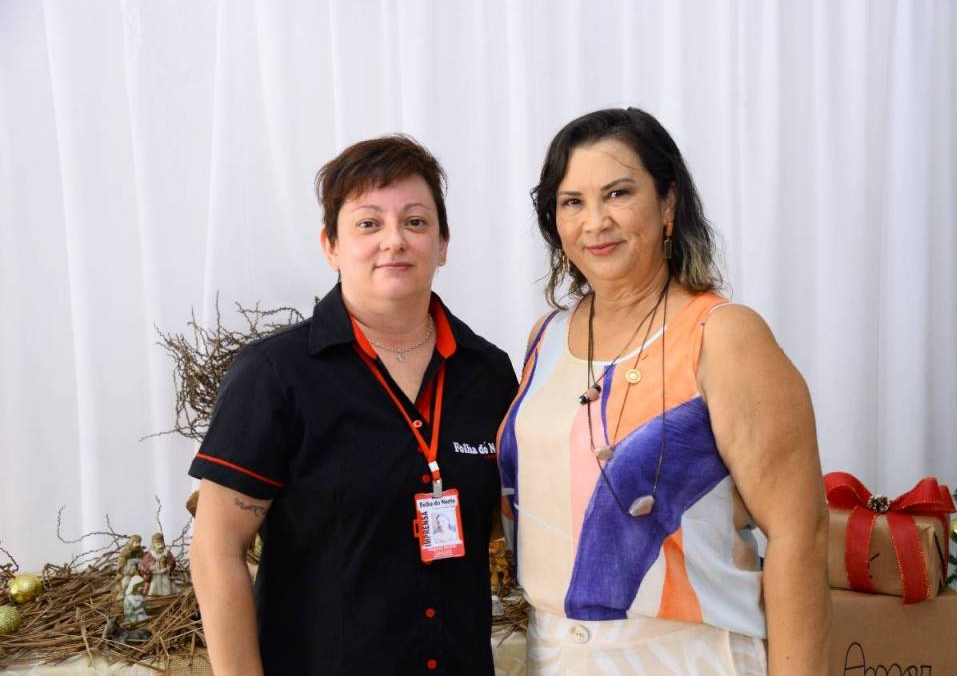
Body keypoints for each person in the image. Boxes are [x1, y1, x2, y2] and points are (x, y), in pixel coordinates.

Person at [497, 108, 829, 675]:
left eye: (618, 193)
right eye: (572, 201)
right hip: (553, 654)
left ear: (668, 203)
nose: (595, 221)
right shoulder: (545, 337)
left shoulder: (722, 334)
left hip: (689, 656)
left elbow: (800, 535)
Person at [188, 135, 519, 675]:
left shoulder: (488, 373)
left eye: (415, 222)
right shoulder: (275, 374)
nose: (395, 240)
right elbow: (216, 550)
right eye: (369, 223)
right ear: (331, 246)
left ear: (442, 244)